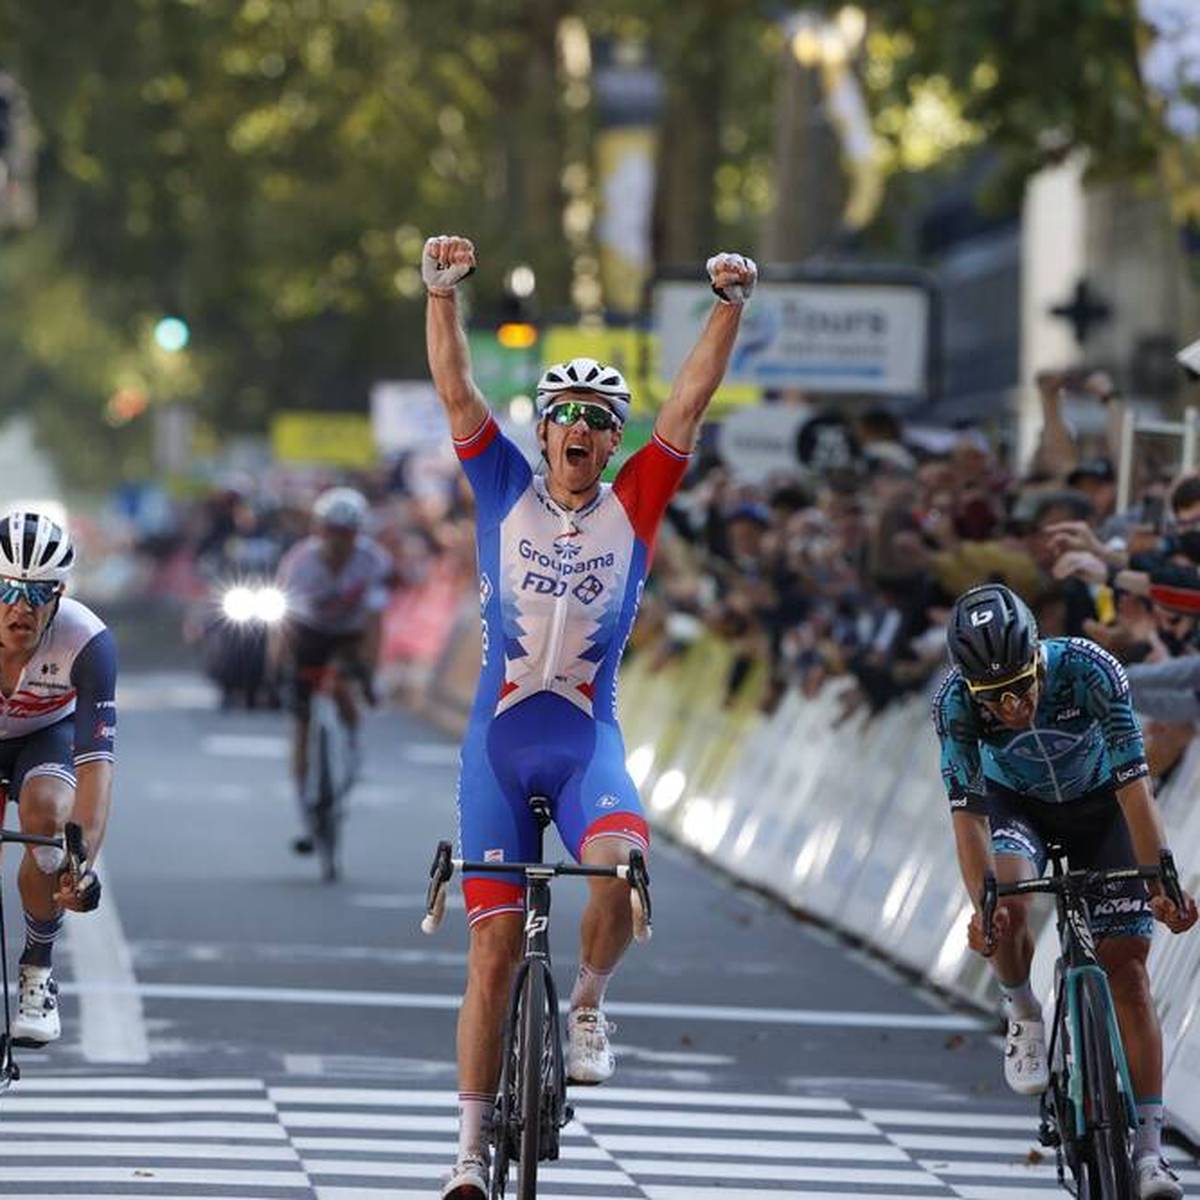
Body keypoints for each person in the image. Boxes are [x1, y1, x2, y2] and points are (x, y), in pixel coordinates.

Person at [424, 233, 756, 1199]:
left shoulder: (637, 502)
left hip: (583, 742)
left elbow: (686, 402)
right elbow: (457, 392)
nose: (579, 427)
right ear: (543, 431)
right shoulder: (503, 487)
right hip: (498, 747)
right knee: (491, 950)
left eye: (598, 419)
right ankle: (466, 1151)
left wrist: (728, 306)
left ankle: (588, 1004)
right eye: (564, 414)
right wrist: (440, 293)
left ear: (613, 442)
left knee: (618, 867)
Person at [931, 583, 1198, 1200]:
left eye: (1021, 686)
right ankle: (1022, 1009)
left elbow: (1136, 788)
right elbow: (968, 817)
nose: (1012, 707)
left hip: (1103, 804)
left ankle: (1150, 1155)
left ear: (1038, 658)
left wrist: (1161, 883)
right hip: (1015, 808)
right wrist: (983, 906)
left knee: (1129, 973)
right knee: (1007, 902)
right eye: (994, 697)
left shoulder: (1088, 669)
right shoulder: (954, 704)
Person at [0, 507, 115, 1045]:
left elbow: (96, 770)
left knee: (47, 816)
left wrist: (80, 866)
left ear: (60, 594)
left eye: (37, 592)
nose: (20, 607)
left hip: (46, 735)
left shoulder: (87, 641)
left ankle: (37, 970)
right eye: (6, 589)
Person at [272, 487, 393, 854]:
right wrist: (277, 664)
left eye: (347, 533)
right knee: (302, 722)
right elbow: (284, 623)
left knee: (343, 685)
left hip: (349, 635)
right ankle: (305, 810)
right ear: (319, 530)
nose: (339, 541)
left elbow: (375, 621)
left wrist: (369, 669)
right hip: (309, 633)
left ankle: (352, 746)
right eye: (331, 532)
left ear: (357, 534)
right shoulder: (299, 563)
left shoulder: (373, 561)